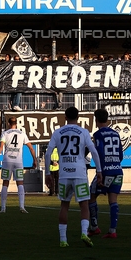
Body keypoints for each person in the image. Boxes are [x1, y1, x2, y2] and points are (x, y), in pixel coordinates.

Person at [44, 106, 100, 248]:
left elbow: (48, 153)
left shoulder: (58, 132)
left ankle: (63, 239)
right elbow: (93, 151)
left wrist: (47, 173)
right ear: (78, 117)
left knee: (64, 205)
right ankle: (84, 233)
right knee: (84, 205)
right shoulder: (83, 132)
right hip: (80, 172)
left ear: (65, 117)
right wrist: (99, 170)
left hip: (64, 174)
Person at [88, 109, 123, 238]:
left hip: (106, 171)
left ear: (95, 119)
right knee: (113, 200)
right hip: (118, 170)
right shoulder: (115, 134)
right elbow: (120, 154)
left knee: (91, 197)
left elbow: (100, 153)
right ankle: (112, 231)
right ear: (107, 119)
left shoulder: (98, 134)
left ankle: (94, 227)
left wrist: (100, 171)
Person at [0, 115, 38, 213]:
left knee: (5, 183)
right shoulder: (22, 134)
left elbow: (1, 147)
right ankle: (22, 206)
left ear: (8, 124)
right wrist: (35, 160)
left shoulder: (5, 133)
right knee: (20, 183)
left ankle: (3, 208)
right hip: (18, 161)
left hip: (7, 161)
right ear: (16, 124)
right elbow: (31, 148)